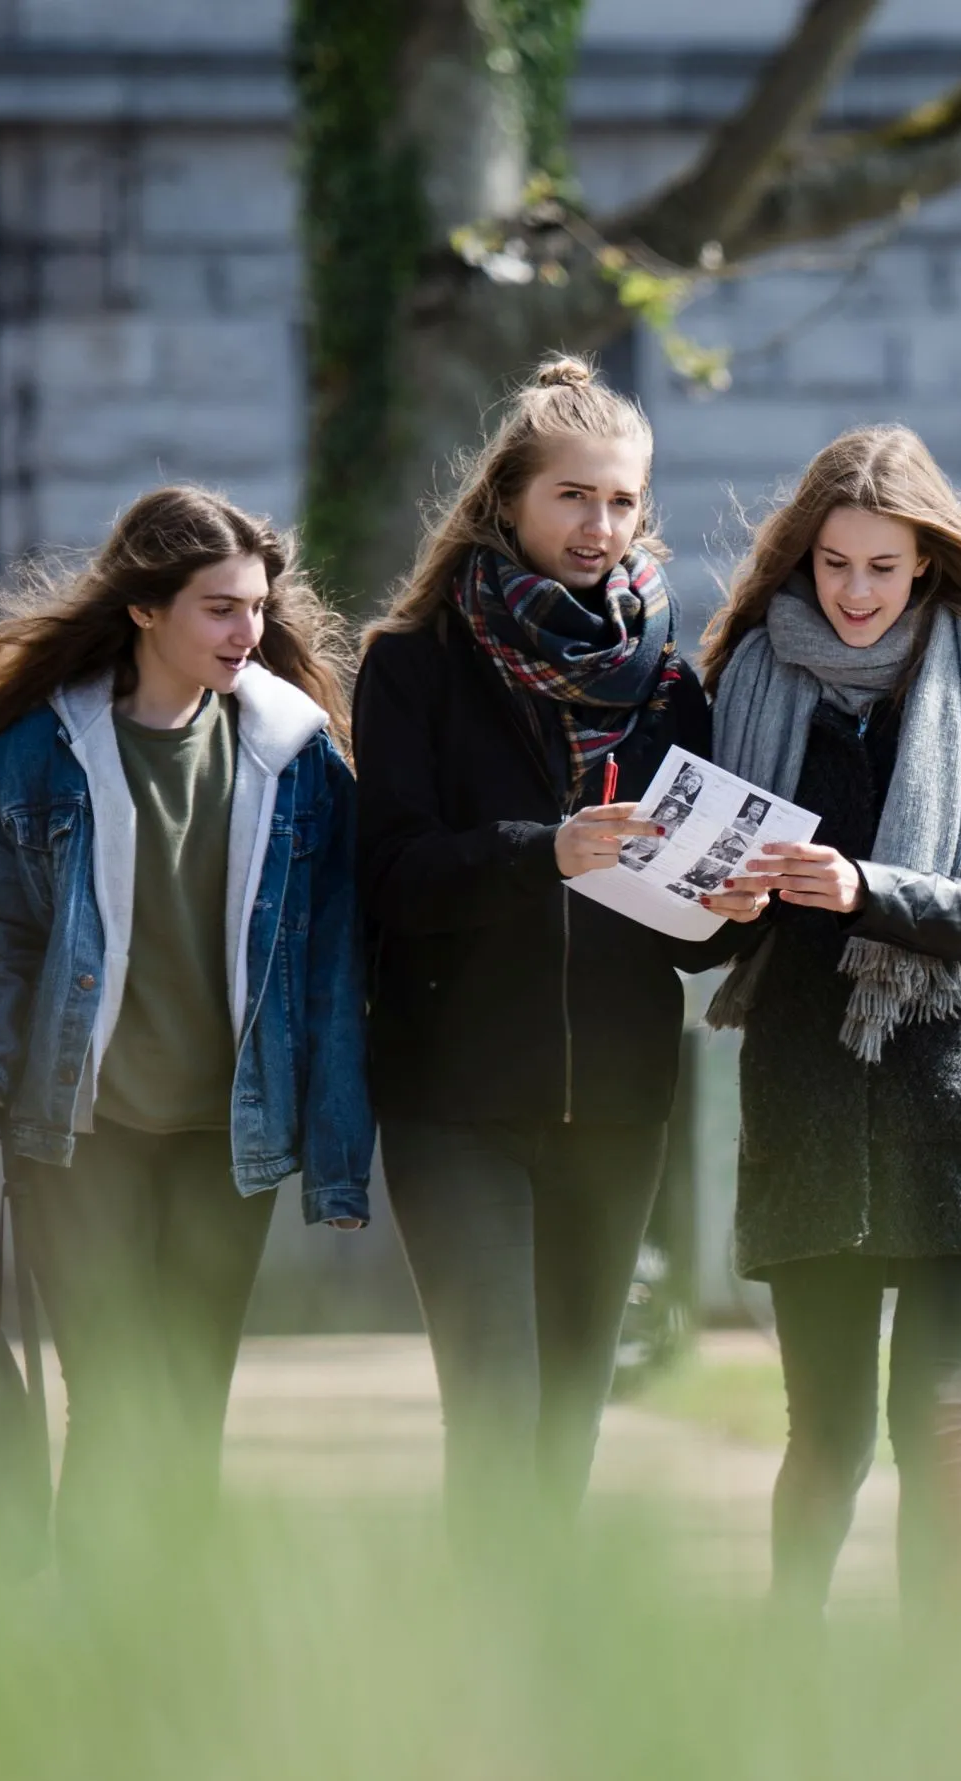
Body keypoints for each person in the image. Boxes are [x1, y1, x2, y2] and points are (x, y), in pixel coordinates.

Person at [0, 485, 369, 1559]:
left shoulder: (298, 759)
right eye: (219, 608)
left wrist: (339, 1148)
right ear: (144, 610)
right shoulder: (40, 757)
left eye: (257, 607)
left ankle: (169, 1654)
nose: (247, 632)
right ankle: (94, 1643)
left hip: (228, 1140)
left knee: (187, 1410)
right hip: (82, 1136)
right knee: (116, 1402)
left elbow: (331, 964)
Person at [352, 357, 721, 1566]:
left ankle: (540, 1677)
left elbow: (697, 928)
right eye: (573, 497)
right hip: (454, 1102)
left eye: (621, 502)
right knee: (498, 1411)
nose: (599, 526)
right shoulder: (415, 665)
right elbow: (394, 878)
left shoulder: (669, 682)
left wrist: (741, 893)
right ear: (508, 497)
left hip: (618, 1106)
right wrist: (544, 853)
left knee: (570, 1420)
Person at [698, 425, 961, 1623]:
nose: (855, 593)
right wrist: (711, 896)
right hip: (805, 1087)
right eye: (833, 565)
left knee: (934, 1417)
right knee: (830, 1432)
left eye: (883, 567)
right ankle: (788, 1670)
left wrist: (865, 889)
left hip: (949, 1089)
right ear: (800, 561)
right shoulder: (744, 684)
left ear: (926, 566)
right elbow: (698, 940)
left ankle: (932, 1696)